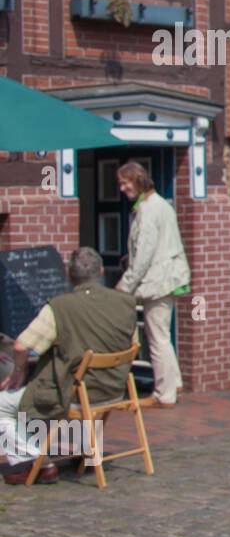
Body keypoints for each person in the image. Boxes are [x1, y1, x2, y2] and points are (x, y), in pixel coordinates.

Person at [1, 248, 136, 485]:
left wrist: (19, 372)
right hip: (115, 388)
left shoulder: (61, 306)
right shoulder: (125, 302)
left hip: (77, 392)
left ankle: (38, 463)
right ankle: (85, 449)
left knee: (4, 405)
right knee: (46, 394)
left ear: (68, 275)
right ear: (101, 271)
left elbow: (22, 347)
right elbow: (133, 344)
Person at [116, 161, 190, 408]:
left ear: (137, 180)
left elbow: (144, 255)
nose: (122, 187)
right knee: (162, 335)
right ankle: (174, 382)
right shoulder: (160, 205)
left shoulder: (148, 210)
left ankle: (164, 394)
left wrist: (124, 285)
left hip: (157, 281)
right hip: (166, 277)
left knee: (157, 338)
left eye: (125, 182)